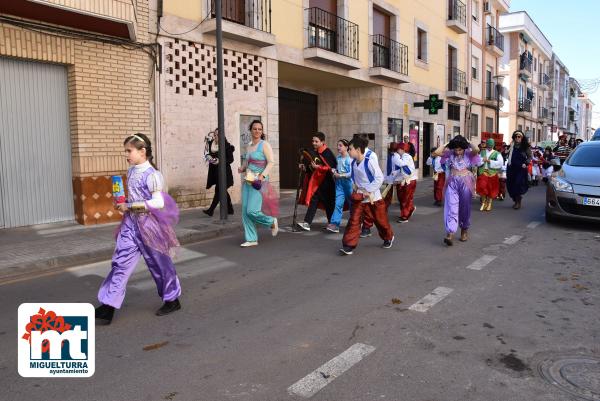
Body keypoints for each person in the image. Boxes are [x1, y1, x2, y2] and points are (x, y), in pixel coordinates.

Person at [96, 133, 182, 325]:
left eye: (129, 150)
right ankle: (108, 306)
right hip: (130, 224)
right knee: (120, 262)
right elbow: (134, 198)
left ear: (142, 151)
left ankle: (172, 299)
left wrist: (131, 205)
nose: (126, 154)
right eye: (126, 150)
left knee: (159, 265)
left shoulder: (153, 175)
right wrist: (124, 203)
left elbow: (158, 202)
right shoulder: (132, 170)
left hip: (150, 226)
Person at [340, 136, 394, 255]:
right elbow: (354, 177)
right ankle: (349, 245)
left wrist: (368, 191)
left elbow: (379, 178)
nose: (348, 151)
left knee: (381, 221)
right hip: (360, 197)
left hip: (373, 198)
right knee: (354, 220)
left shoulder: (369, 161)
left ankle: (388, 237)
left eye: (350, 149)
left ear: (358, 149)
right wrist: (356, 187)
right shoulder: (353, 163)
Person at [432, 135, 482, 246]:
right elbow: (436, 153)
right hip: (452, 182)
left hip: (465, 182)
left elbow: (477, 150)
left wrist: (468, 142)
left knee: (465, 208)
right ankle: (450, 233)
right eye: (455, 149)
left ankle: (464, 230)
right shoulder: (449, 154)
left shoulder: (469, 154)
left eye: (460, 149)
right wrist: (447, 144)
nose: (458, 151)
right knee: (451, 207)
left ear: (464, 148)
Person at [238, 120, 279, 247]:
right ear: (250, 130)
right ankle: (251, 239)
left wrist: (262, 176)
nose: (257, 131)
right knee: (245, 212)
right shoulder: (249, 146)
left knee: (252, 211)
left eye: (259, 129)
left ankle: (271, 221)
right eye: (255, 129)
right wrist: (242, 168)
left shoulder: (264, 145)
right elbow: (247, 161)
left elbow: (271, 162)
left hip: (259, 182)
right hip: (248, 180)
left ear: (262, 131)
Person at [297, 132, 337, 231]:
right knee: (315, 202)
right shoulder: (314, 152)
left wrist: (318, 167)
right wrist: (305, 168)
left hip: (327, 183)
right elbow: (311, 168)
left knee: (329, 204)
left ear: (322, 142)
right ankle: (307, 223)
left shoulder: (327, 152)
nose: (314, 143)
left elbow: (331, 168)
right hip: (318, 183)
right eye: (313, 141)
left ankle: (333, 225)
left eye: (316, 141)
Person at [203, 128, 235, 217]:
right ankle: (230, 208)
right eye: (215, 135)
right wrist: (209, 158)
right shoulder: (211, 144)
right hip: (215, 173)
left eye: (218, 135)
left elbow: (231, 159)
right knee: (222, 190)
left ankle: (211, 210)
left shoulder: (226, 145)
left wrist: (220, 161)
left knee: (219, 190)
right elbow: (207, 153)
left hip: (225, 173)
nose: (216, 136)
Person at [327, 139, 353, 233]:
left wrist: (340, 175)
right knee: (338, 204)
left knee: (352, 205)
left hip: (348, 184)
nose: (338, 147)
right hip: (339, 184)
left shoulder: (350, 159)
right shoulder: (338, 158)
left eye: (340, 145)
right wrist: (334, 171)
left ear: (346, 147)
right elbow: (337, 169)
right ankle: (335, 224)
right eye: (338, 145)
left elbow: (352, 173)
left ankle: (355, 223)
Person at [506, 130, 532, 210]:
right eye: (516, 136)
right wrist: (504, 152)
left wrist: (526, 163)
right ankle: (516, 198)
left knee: (517, 184)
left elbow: (530, 157)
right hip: (511, 168)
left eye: (519, 136)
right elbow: (506, 154)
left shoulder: (525, 147)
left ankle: (518, 202)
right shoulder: (511, 146)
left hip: (521, 168)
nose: (517, 138)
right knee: (510, 185)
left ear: (522, 138)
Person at [476, 138, 503, 212]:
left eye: (491, 146)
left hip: (492, 174)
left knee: (491, 189)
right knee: (482, 186)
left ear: (493, 145)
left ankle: (489, 203)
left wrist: (489, 161)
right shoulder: (482, 152)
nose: (489, 147)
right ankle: (483, 203)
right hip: (483, 172)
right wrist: (482, 160)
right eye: (488, 145)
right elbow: (477, 161)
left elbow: (500, 163)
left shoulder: (497, 153)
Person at [395, 142, 418, 223]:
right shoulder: (404, 156)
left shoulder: (406, 156)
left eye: (398, 149)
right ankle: (407, 211)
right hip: (408, 180)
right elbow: (402, 170)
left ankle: (405, 216)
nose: (397, 151)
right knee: (405, 198)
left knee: (405, 198)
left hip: (409, 180)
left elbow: (402, 164)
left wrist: (395, 157)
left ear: (402, 149)